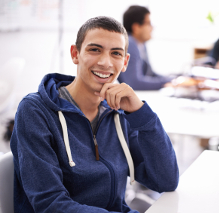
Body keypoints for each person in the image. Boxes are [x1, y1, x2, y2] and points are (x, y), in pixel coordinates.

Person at [10, 16, 179, 213]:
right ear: (75, 54)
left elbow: (166, 181)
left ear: (125, 62)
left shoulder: (119, 112)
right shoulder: (35, 111)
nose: (105, 62)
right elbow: (49, 203)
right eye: (94, 49)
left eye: (115, 53)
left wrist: (141, 113)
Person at [118, 5, 173, 90]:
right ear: (136, 27)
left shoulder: (140, 44)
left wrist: (172, 79)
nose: (152, 28)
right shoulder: (130, 44)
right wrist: (166, 82)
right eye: (148, 23)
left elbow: (150, 74)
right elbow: (134, 83)